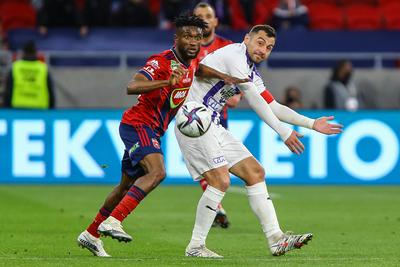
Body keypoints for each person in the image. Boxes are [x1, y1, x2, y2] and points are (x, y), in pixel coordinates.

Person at [76, 14, 247, 257]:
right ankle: (113, 221)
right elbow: (132, 86)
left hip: (153, 129)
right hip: (138, 125)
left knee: (125, 187)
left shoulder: (192, 63)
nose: (193, 42)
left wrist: (225, 77)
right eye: (187, 36)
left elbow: (201, 70)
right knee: (158, 172)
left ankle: (91, 234)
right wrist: (166, 82)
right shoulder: (161, 62)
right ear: (176, 38)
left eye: (197, 38)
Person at [174, 24, 343, 258]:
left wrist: (311, 123)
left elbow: (273, 105)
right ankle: (195, 246)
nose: (264, 50)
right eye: (260, 42)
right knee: (221, 180)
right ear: (247, 39)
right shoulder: (235, 55)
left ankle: (276, 239)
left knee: (255, 172)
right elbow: (254, 100)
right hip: (194, 121)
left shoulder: (251, 71)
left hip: (212, 124)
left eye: (270, 47)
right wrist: (284, 133)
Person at [193, 1, 242, 229]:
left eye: (207, 15)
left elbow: (237, 83)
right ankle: (216, 209)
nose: (203, 18)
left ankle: (215, 207)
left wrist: (234, 93)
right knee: (208, 163)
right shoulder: (186, 46)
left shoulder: (227, 47)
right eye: (199, 15)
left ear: (215, 21)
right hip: (192, 113)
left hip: (219, 115)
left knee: (217, 165)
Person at [3, 40, 55, 109]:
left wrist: (7, 109)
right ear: (36, 52)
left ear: (23, 52)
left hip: (18, 108)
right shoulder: (43, 68)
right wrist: (52, 109)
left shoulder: (15, 67)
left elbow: (8, 91)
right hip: (40, 109)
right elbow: (50, 91)